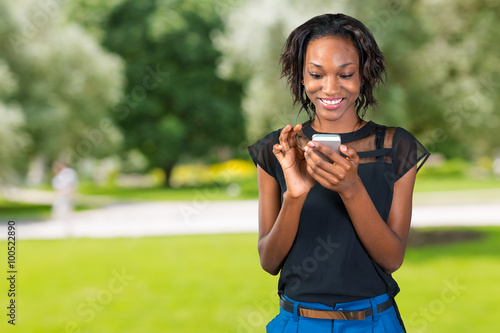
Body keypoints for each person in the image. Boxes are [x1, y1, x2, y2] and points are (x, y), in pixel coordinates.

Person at [248, 13, 430, 332]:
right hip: (298, 321)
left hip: (374, 321)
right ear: (302, 78)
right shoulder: (276, 149)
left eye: (345, 74)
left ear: (363, 76)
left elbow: (391, 259)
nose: (330, 88)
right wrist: (295, 195)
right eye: (316, 74)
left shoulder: (396, 146)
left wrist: (352, 189)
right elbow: (269, 261)